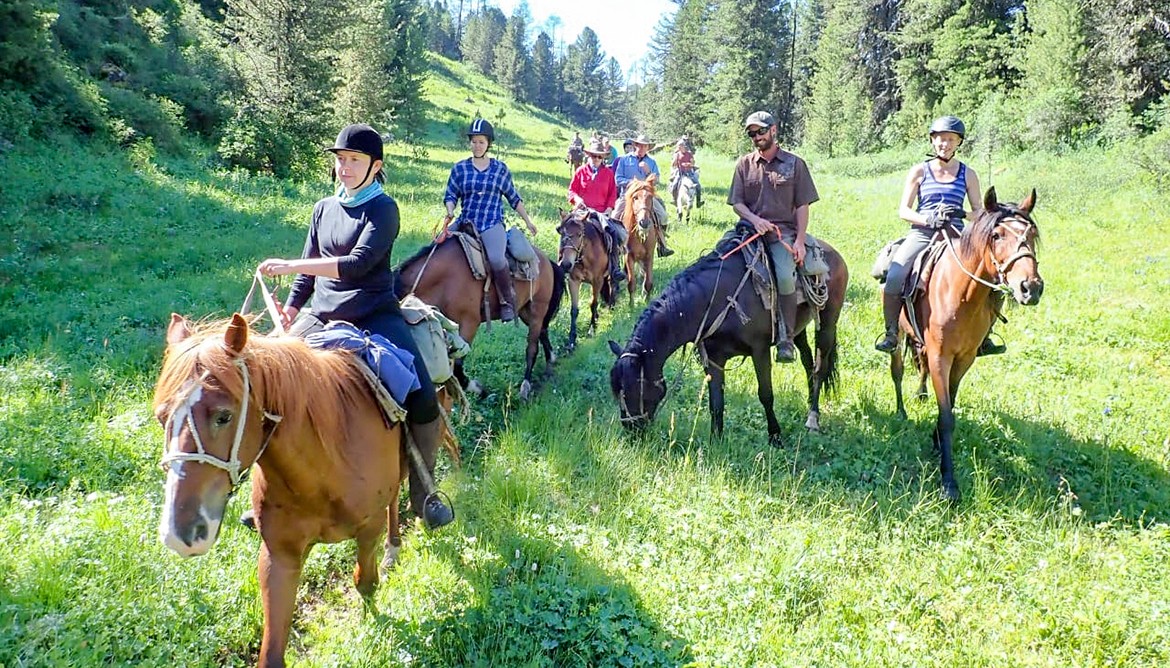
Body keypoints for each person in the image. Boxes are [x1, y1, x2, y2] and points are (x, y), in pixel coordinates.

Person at [256, 123, 454, 530]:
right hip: (323, 313)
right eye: (341, 160)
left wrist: (291, 265)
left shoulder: (384, 209)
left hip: (373, 314)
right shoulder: (323, 208)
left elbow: (357, 265)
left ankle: (424, 493)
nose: (344, 168)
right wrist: (292, 309)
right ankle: (271, 488)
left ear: (374, 166)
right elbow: (309, 273)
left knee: (421, 396)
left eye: (354, 161)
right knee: (267, 381)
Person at [875, 115, 1004, 356]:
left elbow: (979, 212)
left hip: (957, 234)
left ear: (958, 143)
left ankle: (986, 335)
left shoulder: (968, 174)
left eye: (950, 139)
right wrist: (927, 219)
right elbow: (904, 210)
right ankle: (891, 332)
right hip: (923, 232)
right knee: (894, 276)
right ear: (933, 141)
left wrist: (962, 213)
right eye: (940, 139)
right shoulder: (919, 171)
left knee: (995, 278)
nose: (944, 144)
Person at [729, 111, 819, 363]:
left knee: (784, 276)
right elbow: (737, 203)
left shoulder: (794, 164)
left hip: (782, 234)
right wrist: (754, 220)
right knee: (719, 261)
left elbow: (802, 205)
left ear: (773, 130)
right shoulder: (744, 164)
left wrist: (800, 241)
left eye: (760, 132)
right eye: (752, 134)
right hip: (749, 230)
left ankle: (786, 339)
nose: (756, 137)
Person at [443, 118, 539, 323]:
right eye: (474, 141)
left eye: (481, 142)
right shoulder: (459, 169)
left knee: (496, 259)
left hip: (490, 223)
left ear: (488, 144)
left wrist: (528, 221)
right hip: (466, 221)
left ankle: (507, 301)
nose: (477, 146)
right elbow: (451, 195)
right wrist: (450, 210)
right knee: (438, 247)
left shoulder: (499, 169)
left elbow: (513, 197)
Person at [568, 137, 626, 283]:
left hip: (600, 212)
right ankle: (563, 263)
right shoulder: (580, 171)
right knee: (566, 229)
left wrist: (609, 208)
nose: (596, 159)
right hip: (582, 211)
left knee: (613, 232)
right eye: (594, 155)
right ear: (588, 155)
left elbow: (612, 194)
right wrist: (577, 199)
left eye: (599, 156)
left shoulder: (608, 174)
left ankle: (614, 267)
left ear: (603, 158)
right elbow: (571, 191)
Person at [613, 133, 674, 257]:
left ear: (648, 148)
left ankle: (662, 244)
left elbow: (656, 181)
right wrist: (633, 184)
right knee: (614, 217)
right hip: (628, 196)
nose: (641, 148)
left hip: (646, 197)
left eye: (644, 146)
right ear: (635, 145)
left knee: (662, 216)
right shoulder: (624, 160)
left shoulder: (651, 162)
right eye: (639, 146)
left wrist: (648, 172)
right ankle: (615, 247)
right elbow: (618, 179)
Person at [669, 138, 703, 208]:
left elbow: (693, 163)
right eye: (678, 146)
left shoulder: (689, 154)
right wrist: (675, 160)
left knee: (698, 186)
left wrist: (689, 164)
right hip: (680, 172)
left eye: (680, 146)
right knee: (674, 185)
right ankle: (674, 200)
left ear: (683, 146)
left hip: (689, 172)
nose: (679, 147)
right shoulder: (677, 154)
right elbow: (673, 165)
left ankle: (698, 202)